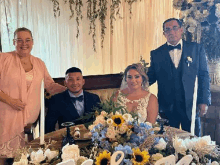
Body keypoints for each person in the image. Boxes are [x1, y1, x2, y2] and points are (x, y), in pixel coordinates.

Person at [0, 27, 66, 163]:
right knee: (4, 157)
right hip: (6, 117)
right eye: (19, 40)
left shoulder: (39, 63)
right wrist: (10, 101)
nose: (24, 43)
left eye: (27, 40)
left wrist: (71, 89)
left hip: (30, 121)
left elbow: (50, 85)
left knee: (24, 159)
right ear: (13, 42)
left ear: (33, 42)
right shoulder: (3, 59)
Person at [147, 18, 211, 136]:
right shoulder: (156, 54)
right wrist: (135, 81)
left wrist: (204, 101)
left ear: (181, 30)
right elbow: (151, 76)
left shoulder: (196, 49)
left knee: (194, 140)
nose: (171, 32)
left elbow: (204, 76)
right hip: (167, 106)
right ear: (164, 33)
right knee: (168, 142)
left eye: (175, 28)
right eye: (168, 29)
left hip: (191, 104)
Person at [45, 67, 101, 133]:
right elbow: (48, 127)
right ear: (65, 83)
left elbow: (101, 122)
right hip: (67, 140)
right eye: (70, 80)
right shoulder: (56, 100)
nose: (74, 83)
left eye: (78, 79)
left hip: (91, 138)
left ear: (83, 81)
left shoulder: (94, 98)